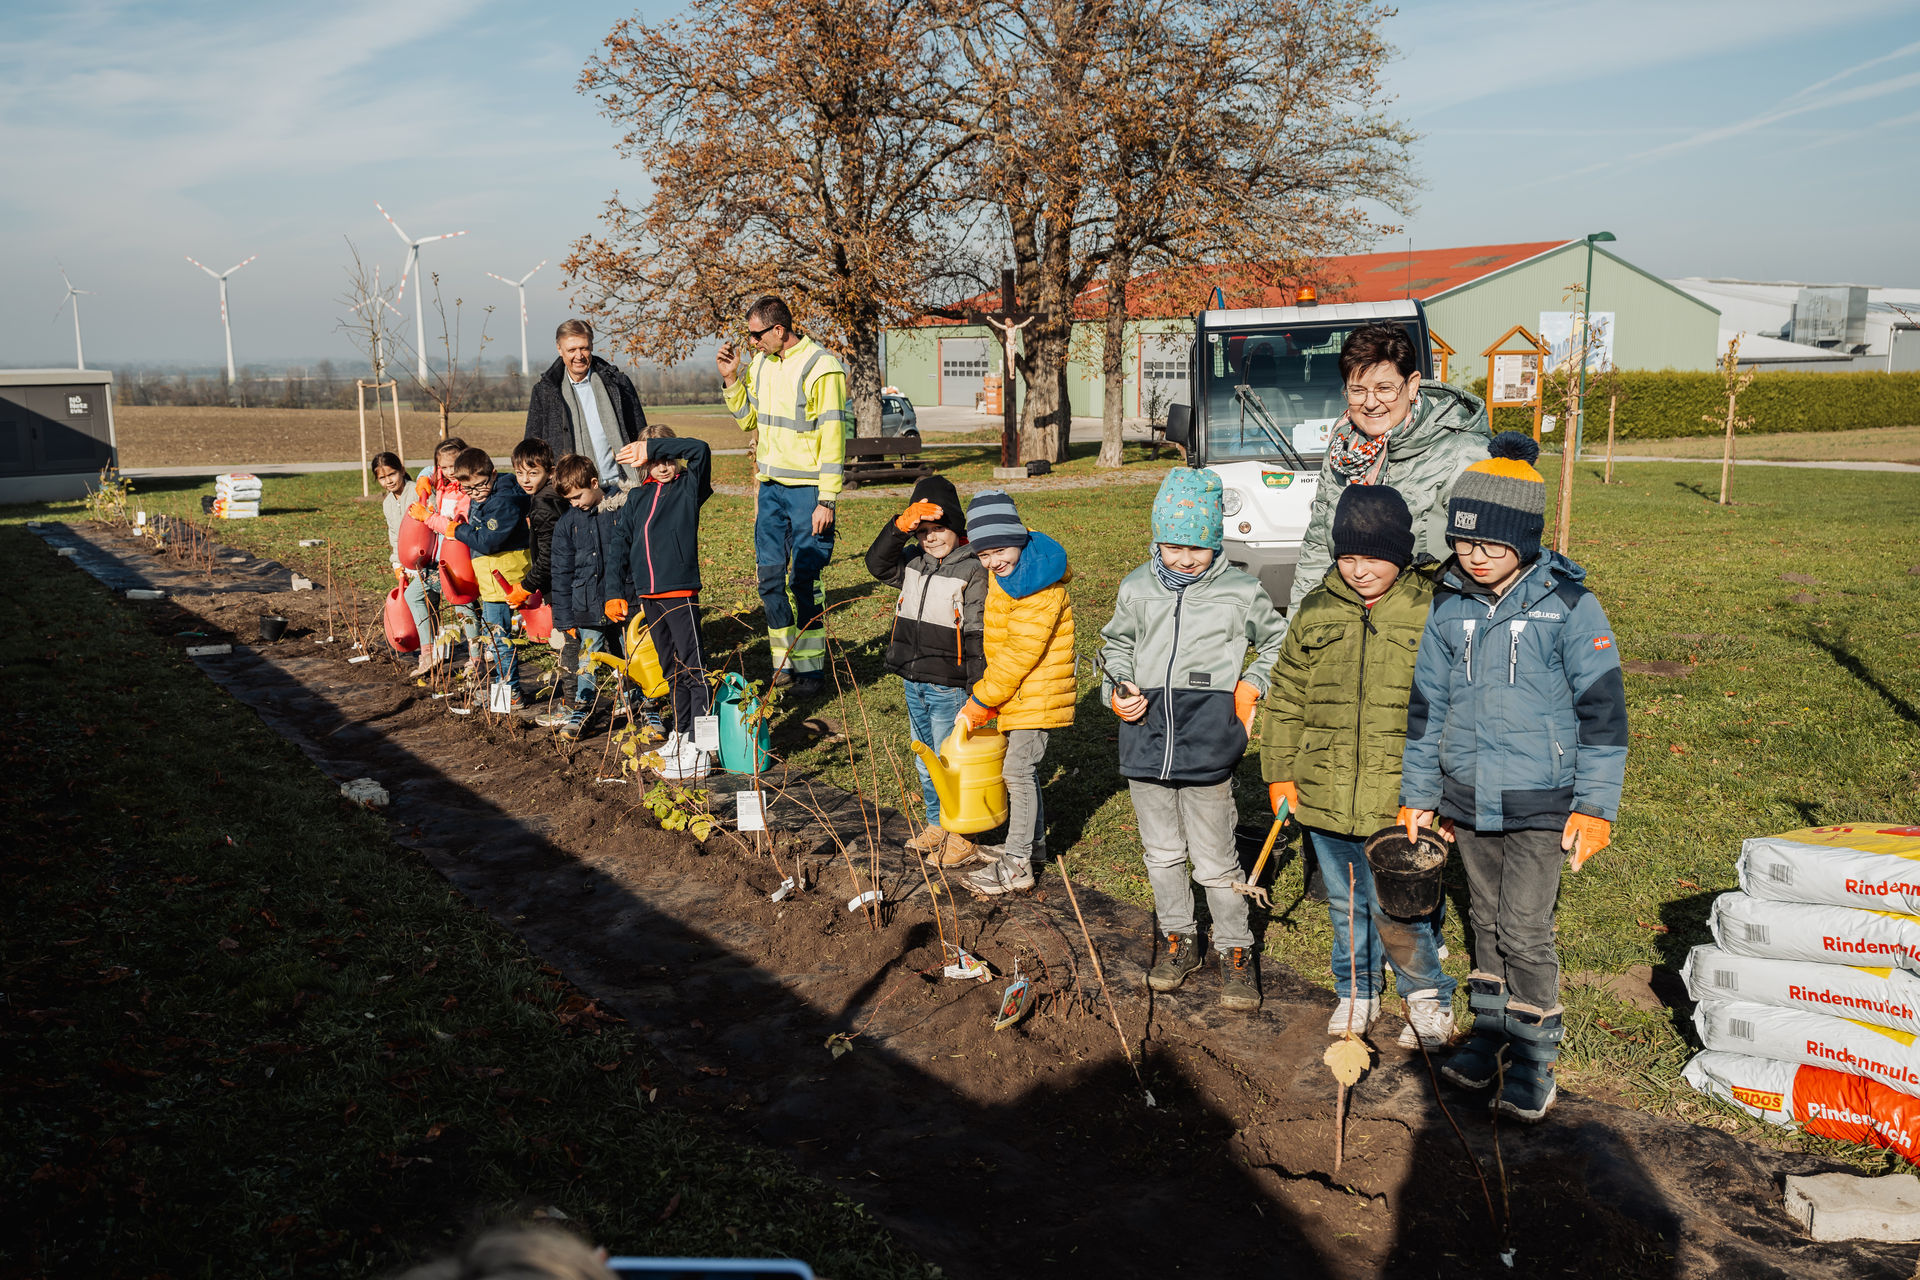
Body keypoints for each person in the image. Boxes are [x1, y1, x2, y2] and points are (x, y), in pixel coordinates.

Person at [1398, 432, 1627, 1122]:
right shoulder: (1449, 605)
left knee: (1525, 927)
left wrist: (1595, 805)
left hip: (1542, 801)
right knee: (1485, 917)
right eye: (1464, 543)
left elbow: (1604, 713)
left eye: (1490, 546)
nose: (1473, 556)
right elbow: (1425, 708)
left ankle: (1533, 1055)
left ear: (1525, 540)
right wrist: (1419, 794)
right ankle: (1492, 1030)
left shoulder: (1569, 606)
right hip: (1468, 799)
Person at [1262, 484, 1456, 1046]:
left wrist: (1439, 790)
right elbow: (1289, 693)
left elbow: (1451, 705)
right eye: (1347, 557)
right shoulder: (1317, 608)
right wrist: (1280, 772)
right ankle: (1357, 992)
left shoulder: (1431, 610)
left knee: (1402, 908)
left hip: (1399, 795)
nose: (1359, 570)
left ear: (1400, 552)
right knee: (1346, 902)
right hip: (1323, 789)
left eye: (1373, 557)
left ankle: (1426, 998)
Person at [1100, 468, 1286, 1011]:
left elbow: (1278, 643)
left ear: (1215, 542)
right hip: (1144, 739)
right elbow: (1113, 649)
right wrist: (1118, 689)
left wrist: (1253, 683)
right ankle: (1178, 937)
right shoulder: (1136, 587)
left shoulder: (1240, 590)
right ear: (1156, 539)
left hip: (1209, 745)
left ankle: (1235, 947)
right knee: (1161, 854)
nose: (1184, 558)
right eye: (1173, 545)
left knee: (1214, 859)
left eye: (1198, 547)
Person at [1287, 322, 1490, 619]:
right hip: (1350, 621)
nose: (1370, 403)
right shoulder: (1344, 447)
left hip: (1427, 626)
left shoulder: (1464, 454)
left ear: (1412, 385)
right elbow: (1319, 543)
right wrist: (1298, 622)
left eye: (1384, 388)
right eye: (1358, 390)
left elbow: (1487, 563)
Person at [718, 295, 848, 695]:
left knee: (803, 580)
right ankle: (784, 666)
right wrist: (731, 379)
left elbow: (833, 437)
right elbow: (748, 423)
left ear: (779, 330)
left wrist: (827, 500)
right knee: (770, 579)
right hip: (771, 489)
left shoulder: (821, 367)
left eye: (756, 334)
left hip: (808, 491)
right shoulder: (759, 364)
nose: (751, 342)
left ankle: (811, 672)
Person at [954, 491, 1076, 896]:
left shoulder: (1038, 586)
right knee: (1023, 770)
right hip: (1020, 691)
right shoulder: (1009, 570)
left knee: (1017, 772)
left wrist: (983, 699)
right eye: (983, 555)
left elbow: (1020, 654)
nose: (992, 562)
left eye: (999, 550)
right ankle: (1033, 844)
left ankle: (1017, 863)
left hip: (1035, 692)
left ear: (1020, 537)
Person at [865, 475, 988, 868]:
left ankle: (962, 833)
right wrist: (898, 527)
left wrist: (975, 687)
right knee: (924, 758)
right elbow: (876, 563)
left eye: (939, 529)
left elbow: (976, 631)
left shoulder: (972, 569)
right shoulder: (913, 563)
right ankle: (937, 822)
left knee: (950, 759)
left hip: (948, 686)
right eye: (923, 532)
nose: (931, 538)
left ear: (956, 527)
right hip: (913, 680)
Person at [608, 425, 716, 781]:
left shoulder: (689, 488)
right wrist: (613, 592)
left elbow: (699, 447)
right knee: (671, 670)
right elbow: (620, 545)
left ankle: (703, 746)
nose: (664, 466)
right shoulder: (637, 498)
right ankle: (682, 734)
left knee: (692, 668)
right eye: (656, 461)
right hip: (648, 596)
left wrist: (652, 445)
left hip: (680, 592)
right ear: (644, 466)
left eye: (668, 459)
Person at [417, 447, 531, 708]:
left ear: (492, 474)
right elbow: (433, 470)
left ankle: (510, 693)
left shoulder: (502, 501)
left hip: (501, 578)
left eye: (480, 485)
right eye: (468, 490)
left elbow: (488, 541)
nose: (476, 493)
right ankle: (507, 688)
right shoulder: (493, 491)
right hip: (498, 575)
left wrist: (455, 529)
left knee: (498, 638)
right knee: (500, 637)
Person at [544, 454, 631, 739]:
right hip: (586, 606)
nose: (575, 504)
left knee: (628, 654)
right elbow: (561, 572)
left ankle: (637, 700)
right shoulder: (567, 524)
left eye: (578, 496)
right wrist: (564, 617)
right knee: (587, 658)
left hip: (622, 602)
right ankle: (583, 706)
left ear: (594, 483)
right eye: (569, 500)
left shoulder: (619, 508)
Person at [524, 319, 647, 494]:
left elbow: (641, 432)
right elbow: (532, 448)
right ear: (560, 349)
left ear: (592, 346)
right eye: (572, 350)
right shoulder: (545, 392)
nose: (579, 356)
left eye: (584, 348)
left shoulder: (618, 384)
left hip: (623, 486)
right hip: (572, 492)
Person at [403, 436, 480, 680]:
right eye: (443, 467)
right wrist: (424, 477)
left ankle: (476, 658)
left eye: (453, 466)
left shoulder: (468, 491)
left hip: (457, 559)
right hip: (435, 559)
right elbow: (431, 469)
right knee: (414, 595)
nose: (448, 472)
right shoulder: (442, 483)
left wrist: (427, 517)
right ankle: (427, 654)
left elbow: (453, 528)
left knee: (463, 606)